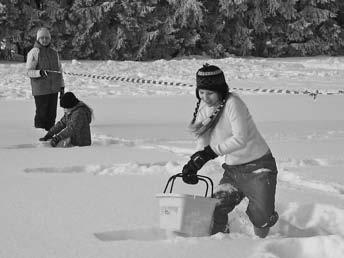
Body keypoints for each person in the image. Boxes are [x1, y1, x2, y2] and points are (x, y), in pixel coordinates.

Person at [182, 64, 279, 238]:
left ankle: (262, 245)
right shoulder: (204, 110)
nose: (205, 97)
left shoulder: (233, 103)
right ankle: (222, 245)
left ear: (220, 90)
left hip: (259, 166)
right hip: (233, 171)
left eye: (210, 93)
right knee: (215, 208)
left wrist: (210, 152)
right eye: (201, 92)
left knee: (262, 217)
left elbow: (240, 139)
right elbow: (202, 143)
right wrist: (193, 165)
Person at [26, 27, 65, 131]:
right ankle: (38, 136)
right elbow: (29, 71)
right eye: (42, 38)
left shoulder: (54, 53)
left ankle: (50, 134)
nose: (44, 40)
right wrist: (39, 73)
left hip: (54, 89)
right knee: (42, 114)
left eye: (46, 38)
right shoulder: (34, 52)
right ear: (38, 39)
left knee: (52, 114)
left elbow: (59, 71)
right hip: (41, 90)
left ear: (50, 39)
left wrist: (62, 87)